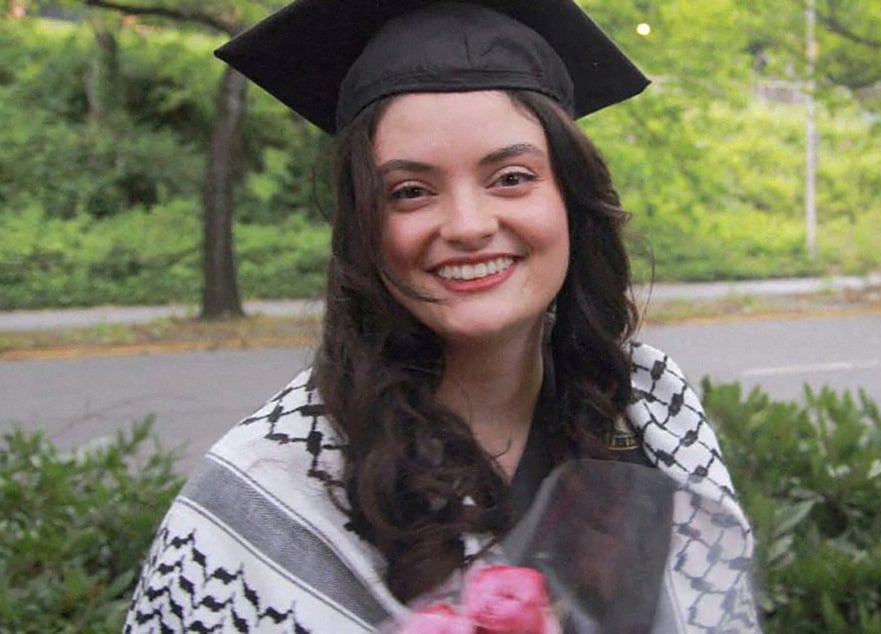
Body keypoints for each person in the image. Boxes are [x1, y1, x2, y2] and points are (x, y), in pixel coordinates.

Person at [124, 1, 760, 632]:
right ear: (364, 228)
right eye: (410, 192)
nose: (468, 226)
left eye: (511, 177)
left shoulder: (651, 411)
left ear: (571, 197)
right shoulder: (266, 491)